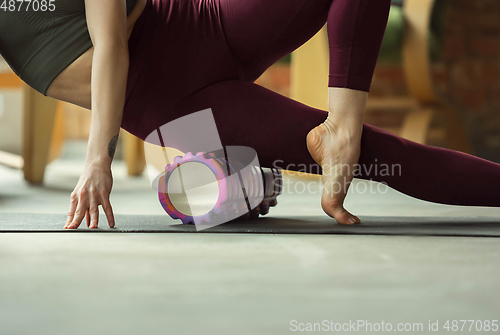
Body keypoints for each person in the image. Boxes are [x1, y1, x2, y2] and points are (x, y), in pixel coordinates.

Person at [1, 0, 499, 230]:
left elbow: (112, 44)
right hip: (175, 108)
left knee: (347, 146)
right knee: (382, 156)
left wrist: (96, 158)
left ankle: (339, 128)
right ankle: (241, 178)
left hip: (202, 23)